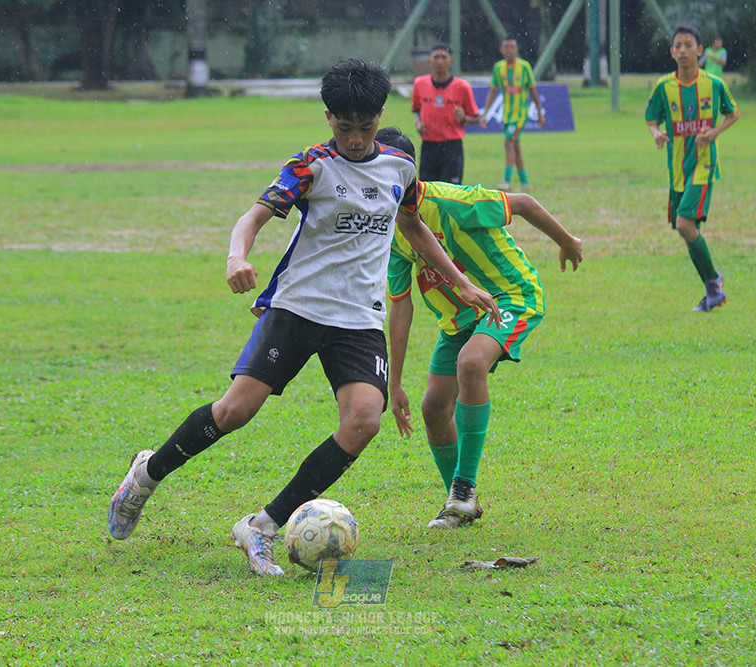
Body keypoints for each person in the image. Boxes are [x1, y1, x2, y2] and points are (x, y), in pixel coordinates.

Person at [106, 59, 500, 576]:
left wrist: (461, 282)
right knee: (234, 413)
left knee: (363, 421)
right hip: (298, 307)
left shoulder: (401, 168)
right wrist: (236, 256)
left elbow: (414, 226)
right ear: (328, 118)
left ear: (380, 116)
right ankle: (145, 476)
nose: (356, 139)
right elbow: (254, 216)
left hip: (359, 317)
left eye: (365, 127)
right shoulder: (311, 166)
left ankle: (262, 527)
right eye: (344, 127)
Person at [377, 127, 582, 529]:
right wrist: (394, 382)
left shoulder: (452, 202)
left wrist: (567, 240)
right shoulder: (391, 231)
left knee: (471, 364)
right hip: (458, 321)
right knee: (433, 408)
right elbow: (400, 308)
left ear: (406, 172)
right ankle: (460, 505)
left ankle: (463, 488)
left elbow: (521, 203)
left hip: (510, 296)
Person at [645, 26, 740, 313]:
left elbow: (733, 113)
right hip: (677, 170)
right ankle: (712, 291)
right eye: (678, 45)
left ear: (700, 50)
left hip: (704, 164)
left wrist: (714, 133)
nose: (683, 50)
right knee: (687, 229)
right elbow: (651, 119)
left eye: (688, 45)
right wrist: (656, 134)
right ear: (672, 52)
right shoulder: (664, 87)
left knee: (685, 224)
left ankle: (714, 281)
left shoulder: (714, 84)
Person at [480, 38, 545, 192]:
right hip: (507, 115)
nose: (509, 50)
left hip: (520, 115)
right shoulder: (498, 68)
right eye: (506, 47)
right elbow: (493, 90)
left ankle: (507, 181)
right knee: (515, 146)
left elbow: (533, 90)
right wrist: (485, 113)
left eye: (512, 47)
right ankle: (525, 182)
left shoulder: (524, 67)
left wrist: (540, 113)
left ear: (516, 49)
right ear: (501, 50)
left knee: (509, 143)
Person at [411, 43, 480, 184]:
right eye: (436, 57)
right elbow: (416, 110)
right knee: (427, 193)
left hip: (452, 147)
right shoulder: (419, 84)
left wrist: (464, 118)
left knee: (452, 193)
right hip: (429, 146)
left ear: (451, 62)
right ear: (429, 61)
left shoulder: (462, 87)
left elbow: (476, 118)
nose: (440, 61)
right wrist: (418, 123)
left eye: (444, 57)